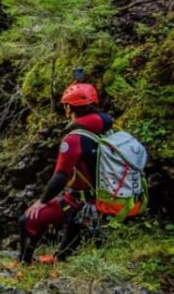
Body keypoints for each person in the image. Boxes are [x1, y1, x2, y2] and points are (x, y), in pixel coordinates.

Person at [18, 83, 113, 265]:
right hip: (105, 197)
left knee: (28, 220)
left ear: (69, 108)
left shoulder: (74, 138)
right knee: (72, 221)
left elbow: (60, 177)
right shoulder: (106, 130)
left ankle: (24, 263)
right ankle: (60, 258)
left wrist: (41, 202)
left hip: (81, 200)